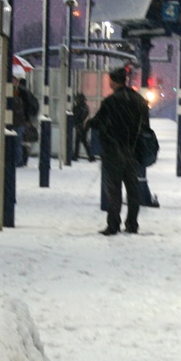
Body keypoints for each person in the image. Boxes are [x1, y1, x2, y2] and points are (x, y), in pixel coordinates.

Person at [94, 66, 150, 236]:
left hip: (113, 151)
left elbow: (97, 123)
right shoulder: (139, 100)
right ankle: (132, 224)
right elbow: (146, 126)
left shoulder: (110, 102)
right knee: (133, 190)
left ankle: (113, 225)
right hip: (133, 151)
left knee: (114, 190)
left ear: (113, 81)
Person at [11, 77, 39, 166]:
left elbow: (26, 107)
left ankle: (18, 161)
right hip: (20, 121)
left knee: (17, 141)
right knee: (18, 142)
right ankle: (19, 160)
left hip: (19, 121)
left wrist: (26, 119)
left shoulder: (21, 92)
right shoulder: (26, 92)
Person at [71, 91, 95, 161]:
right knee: (82, 141)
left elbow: (76, 117)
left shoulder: (78, 107)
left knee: (81, 141)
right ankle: (89, 156)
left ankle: (79, 155)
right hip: (84, 126)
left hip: (80, 126)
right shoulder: (85, 107)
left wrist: (76, 123)